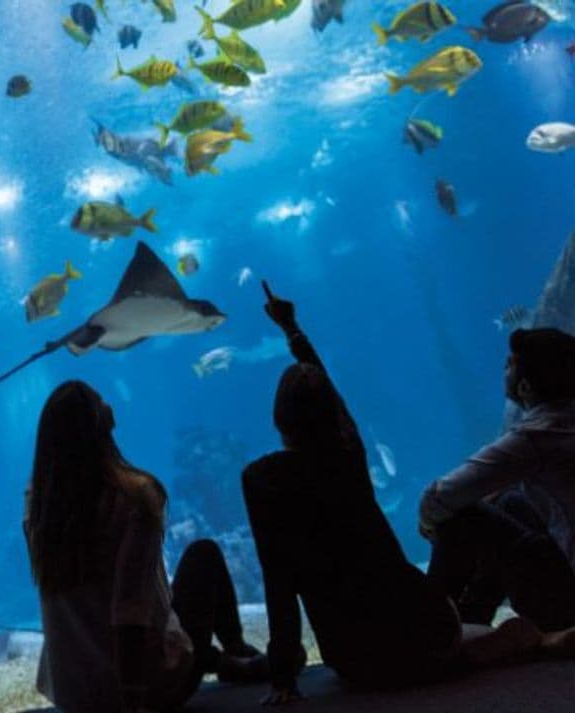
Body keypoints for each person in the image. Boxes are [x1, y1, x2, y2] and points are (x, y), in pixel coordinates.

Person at [243, 283, 572, 706]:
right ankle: (480, 634)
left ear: (277, 418)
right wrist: (292, 330)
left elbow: (278, 578)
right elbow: (336, 407)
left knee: (481, 508)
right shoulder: (349, 458)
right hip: (425, 627)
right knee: (477, 514)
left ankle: (481, 633)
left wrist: (284, 676)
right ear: (336, 422)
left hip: (354, 659)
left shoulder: (260, 481)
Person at [25, 380, 265, 713]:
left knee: (172, 621)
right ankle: (236, 652)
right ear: (102, 421)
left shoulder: (38, 512)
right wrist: (134, 702)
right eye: (100, 400)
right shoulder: (134, 499)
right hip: (146, 688)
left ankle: (223, 660)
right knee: (203, 555)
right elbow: (130, 610)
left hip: (74, 695)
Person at [422, 328, 575, 633]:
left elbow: (439, 496)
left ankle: (429, 628)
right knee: (508, 501)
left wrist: (429, 525)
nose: (503, 369)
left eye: (509, 364)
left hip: (566, 602)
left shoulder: (536, 436)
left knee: (462, 514)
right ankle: (471, 617)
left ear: (526, 386)